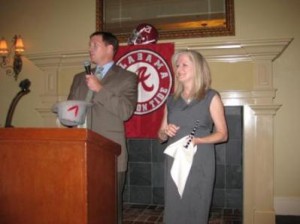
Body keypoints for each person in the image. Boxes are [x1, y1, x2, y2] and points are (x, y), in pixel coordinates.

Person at [67, 31, 138, 224]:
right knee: (82, 205)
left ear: (110, 48)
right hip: (79, 151)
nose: (90, 48)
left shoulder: (127, 78)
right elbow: (71, 111)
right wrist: (65, 116)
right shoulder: (78, 77)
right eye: (89, 44)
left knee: (109, 208)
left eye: (94, 45)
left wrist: (100, 89)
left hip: (109, 152)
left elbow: (125, 111)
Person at [158, 50, 228, 224]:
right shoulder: (171, 100)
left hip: (200, 160)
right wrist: (165, 131)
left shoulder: (211, 97)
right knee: (174, 207)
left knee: (197, 205)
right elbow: (160, 137)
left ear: (197, 69)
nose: (178, 69)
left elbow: (223, 134)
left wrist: (198, 140)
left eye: (184, 65)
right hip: (174, 160)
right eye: (177, 65)